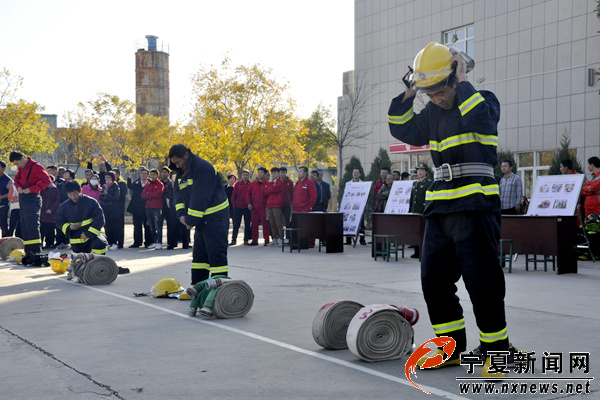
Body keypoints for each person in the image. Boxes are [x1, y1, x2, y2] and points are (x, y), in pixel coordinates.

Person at [388, 42, 512, 373]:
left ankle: (496, 351)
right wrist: (408, 93)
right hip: (440, 208)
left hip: (475, 205)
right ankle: (450, 348)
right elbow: (401, 128)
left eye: (440, 90)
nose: (436, 98)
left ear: (455, 78)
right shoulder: (430, 113)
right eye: (428, 93)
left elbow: (479, 119)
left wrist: (462, 77)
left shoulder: (483, 100)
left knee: (481, 281)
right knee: (434, 280)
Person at [169, 144, 229, 285]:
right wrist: (181, 214)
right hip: (201, 219)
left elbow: (199, 197)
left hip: (215, 218)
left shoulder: (203, 168)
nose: (177, 165)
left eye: (178, 162)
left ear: (186, 155)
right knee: (199, 256)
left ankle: (218, 290)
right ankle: (197, 288)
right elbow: (177, 194)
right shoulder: (181, 172)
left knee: (216, 255)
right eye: (174, 163)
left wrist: (190, 220)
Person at [10, 152, 52, 255]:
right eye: (15, 164)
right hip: (24, 198)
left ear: (23, 158)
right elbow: (16, 179)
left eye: (17, 163)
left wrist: (31, 189)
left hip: (33, 197)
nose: (17, 166)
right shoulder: (21, 168)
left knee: (32, 224)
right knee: (24, 225)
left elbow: (47, 181)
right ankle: (28, 250)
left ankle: (36, 250)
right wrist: (18, 187)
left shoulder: (36, 166)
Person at [55, 181, 108, 255]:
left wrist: (88, 234)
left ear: (80, 191)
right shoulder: (64, 207)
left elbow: (99, 220)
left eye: (75, 194)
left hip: (94, 232)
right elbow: (58, 221)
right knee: (80, 259)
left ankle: (100, 263)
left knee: (99, 244)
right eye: (70, 194)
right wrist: (69, 227)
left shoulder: (91, 202)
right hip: (76, 236)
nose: (73, 197)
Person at [408, 163, 433, 258]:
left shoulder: (429, 183)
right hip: (415, 211)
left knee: (423, 233)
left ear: (426, 172)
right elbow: (412, 199)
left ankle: (423, 252)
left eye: (422, 170)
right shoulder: (415, 183)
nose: (420, 172)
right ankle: (416, 251)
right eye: (418, 170)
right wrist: (411, 210)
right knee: (415, 232)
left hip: (423, 211)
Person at [127, 167, 152, 248]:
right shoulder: (137, 183)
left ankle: (148, 242)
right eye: (142, 173)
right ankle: (137, 242)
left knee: (147, 226)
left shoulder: (150, 184)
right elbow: (130, 186)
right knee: (137, 226)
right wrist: (129, 176)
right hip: (137, 208)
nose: (143, 175)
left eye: (145, 174)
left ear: (148, 175)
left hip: (147, 208)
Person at [246, 167, 270, 246]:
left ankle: (266, 240)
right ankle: (254, 240)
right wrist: (249, 203)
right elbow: (248, 194)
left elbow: (270, 196)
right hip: (254, 207)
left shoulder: (268, 184)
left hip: (264, 207)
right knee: (254, 224)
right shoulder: (253, 184)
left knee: (265, 224)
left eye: (261, 173)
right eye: (259, 172)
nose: (260, 174)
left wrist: (268, 206)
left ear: (265, 174)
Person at [141, 168, 164, 250]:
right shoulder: (148, 184)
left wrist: (149, 194)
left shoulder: (160, 184)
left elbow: (158, 194)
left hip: (156, 207)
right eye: (151, 175)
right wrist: (150, 195)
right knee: (151, 225)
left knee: (158, 226)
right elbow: (143, 194)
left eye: (154, 175)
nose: (152, 176)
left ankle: (159, 242)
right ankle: (154, 241)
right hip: (148, 207)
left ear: (157, 175)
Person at [345, 168, 367, 245]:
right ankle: (348, 240)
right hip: (350, 207)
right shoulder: (348, 184)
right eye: (354, 172)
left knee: (361, 224)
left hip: (359, 207)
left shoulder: (363, 184)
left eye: (357, 173)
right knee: (348, 222)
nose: (355, 174)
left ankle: (362, 239)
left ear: (360, 174)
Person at [264, 167, 285, 247]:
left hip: (277, 205)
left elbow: (275, 189)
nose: (273, 175)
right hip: (269, 205)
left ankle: (281, 238)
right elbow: (265, 192)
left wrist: (270, 189)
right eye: (272, 173)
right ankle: (274, 239)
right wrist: (271, 189)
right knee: (272, 223)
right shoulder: (270, 183)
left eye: (275, 173)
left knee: (279, 223)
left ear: (278, 173)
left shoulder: (280, 182)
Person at [100, 171, 121, 250]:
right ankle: (108, 242)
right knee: (107, 226)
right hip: (105, 207)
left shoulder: (115, 186)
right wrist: (104, 195)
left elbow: (116, 198)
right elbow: (100, 196)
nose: (107, 179)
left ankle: (114, 242)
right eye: (106, 177)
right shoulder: (104, 185)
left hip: (113, 208)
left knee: (113, 226)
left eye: (108, 177)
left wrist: (107, 194)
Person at [230, 170, 252, 246]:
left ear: (249, 176)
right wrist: (234, 205)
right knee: (236, 224)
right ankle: (233, 239)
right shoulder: (237, 184)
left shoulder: (251, 184)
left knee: (247, 224)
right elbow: (234, 195)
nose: (245, 176)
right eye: (244, 175)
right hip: (238, 207)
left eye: (247, 175)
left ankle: (246, 239)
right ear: (241, 176)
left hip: (247, 207)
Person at [40, 176, 60, 249]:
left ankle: (49, 244)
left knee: (50, 229)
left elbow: (57, 202)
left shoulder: (56, 190)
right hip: (42, 212)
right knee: (41, 228)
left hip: (51, 214)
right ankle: (40, 243)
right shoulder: (42, 189)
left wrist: (51, 209)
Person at [161, 167, 179, 250]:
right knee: (170, 226)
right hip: (167, 208)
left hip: (177, 208)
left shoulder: (178, 186)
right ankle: (170, 243)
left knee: (174, 226)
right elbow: (167, 196)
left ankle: (175, 242)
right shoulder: (164, 184)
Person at [113, 169, 128, 249]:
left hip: (119, 208)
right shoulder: (110, 183)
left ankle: (120, 243)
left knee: (119, 226)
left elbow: (122, 196)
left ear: (118, 174)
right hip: (112, 209)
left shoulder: (121, 183)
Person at [0, 161, 13, 237]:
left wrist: (1, 197)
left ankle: (4, 244)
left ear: (4, 168)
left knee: (3, 225)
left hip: (3, 206)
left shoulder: (9, 180)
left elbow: (12, 193)